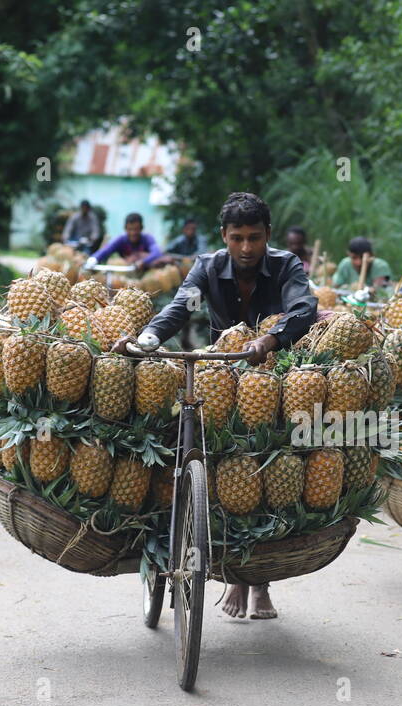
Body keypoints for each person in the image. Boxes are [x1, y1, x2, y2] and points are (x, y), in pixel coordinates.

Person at [112, 192, 318, 622]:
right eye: (237, 238)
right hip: (221, 367)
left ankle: (256, 580)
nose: (246, 248)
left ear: (268, 236)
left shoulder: (286, 266)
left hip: (274, 370)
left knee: (269, 461)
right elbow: (179, 309)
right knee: (198, 446)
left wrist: (270, 338)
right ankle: (203, 548)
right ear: (224, 236)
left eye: (255, 238)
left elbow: (303, 308)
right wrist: (147, 341)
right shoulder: (207, 267)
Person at [86, 212, 163, 268]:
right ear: (125, 228)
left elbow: (157, 252)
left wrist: (143, 262)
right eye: (130, 229)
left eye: (136, 229)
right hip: (126, 278)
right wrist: (94, 259)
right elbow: (106, 250)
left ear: (141, 228)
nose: (133, 233)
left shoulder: (147, 238)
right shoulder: (121, 240)